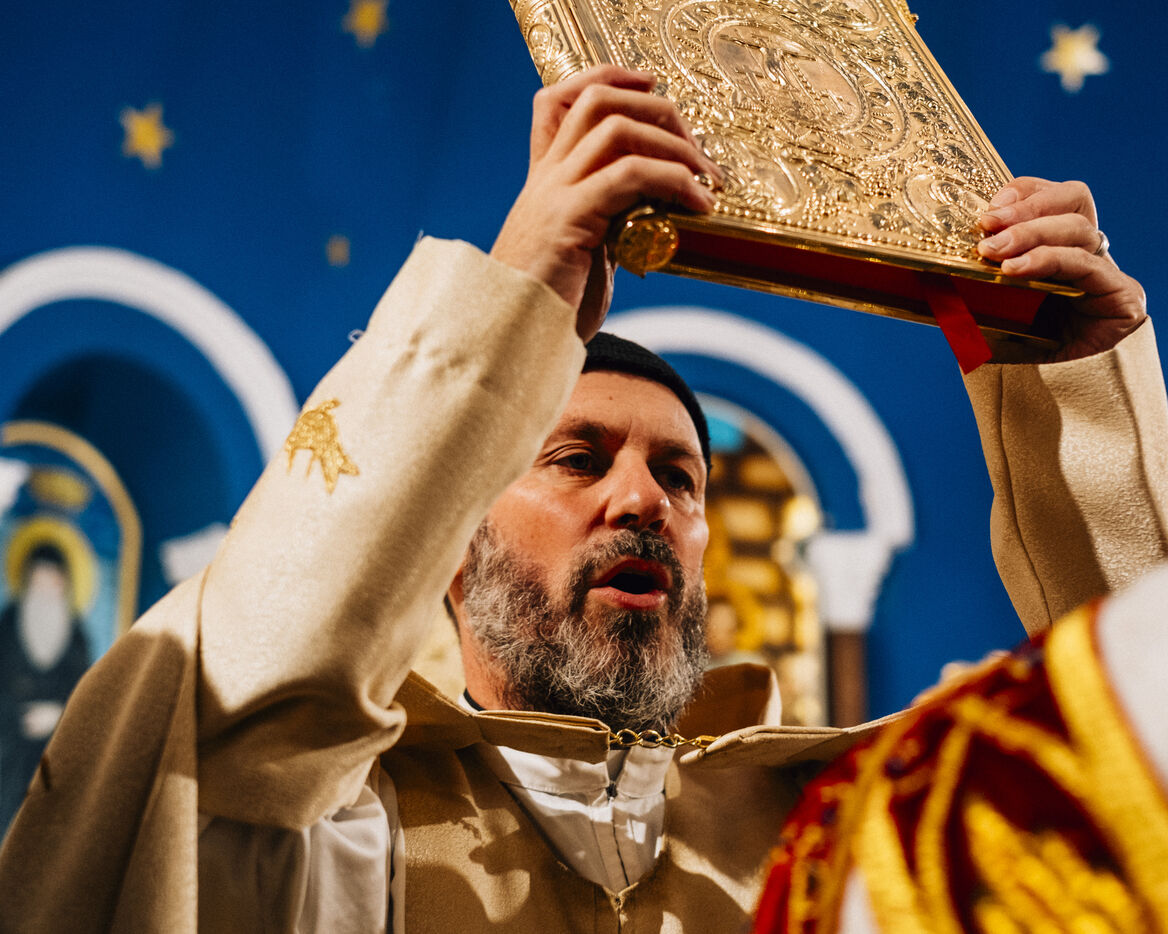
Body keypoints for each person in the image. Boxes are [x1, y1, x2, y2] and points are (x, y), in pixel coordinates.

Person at [0, 66, 1163, 932]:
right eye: (574, 457)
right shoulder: (330, 829)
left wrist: (1086, 401)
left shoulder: (832, 835)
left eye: (679, 475)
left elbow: (1138, 782)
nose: (639, 498)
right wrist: (518, 289)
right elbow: (229, 690)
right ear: (446, 540)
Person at [0, 541, 90, 831]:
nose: (45, 588)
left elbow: (84, 693)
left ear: (63, 583)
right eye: (38, 580)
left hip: (55, 743)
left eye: (52, 581)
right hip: (9, 742)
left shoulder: (76, 635)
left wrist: (57, 715)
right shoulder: (6, 625)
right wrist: (18, 716)